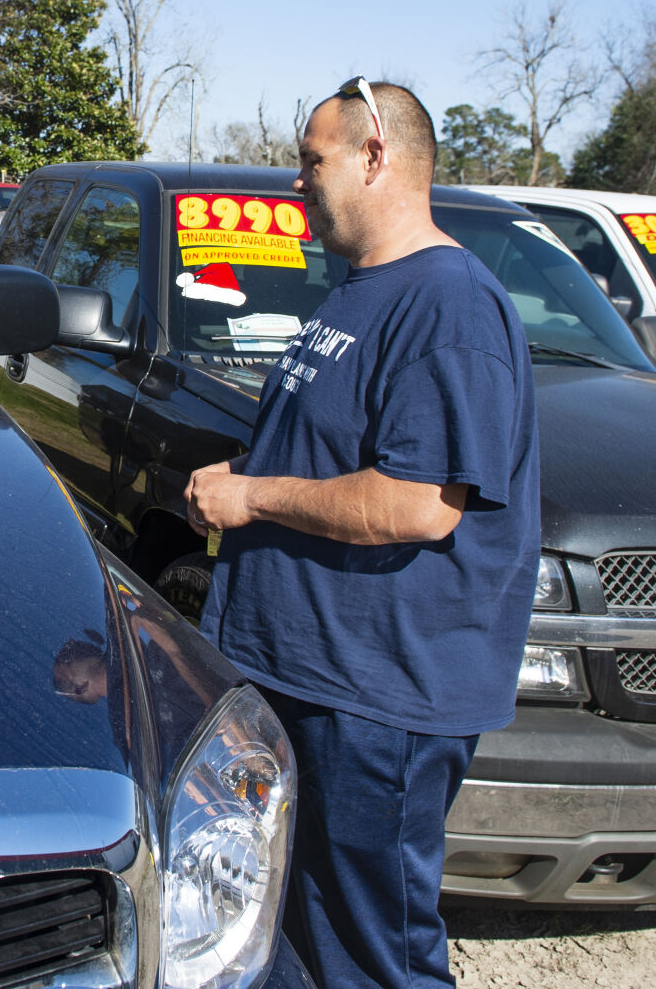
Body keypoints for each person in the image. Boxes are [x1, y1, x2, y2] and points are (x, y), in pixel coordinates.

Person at [184, 79, 539, 989]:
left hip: (377, 701)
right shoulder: (362, 290)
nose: (296, 181)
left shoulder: (450, 302)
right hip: (311, 678)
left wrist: (255, 498)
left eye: (311, 159)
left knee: (370, 953)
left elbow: (417, 503)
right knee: (291, 933)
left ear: (374, 155)